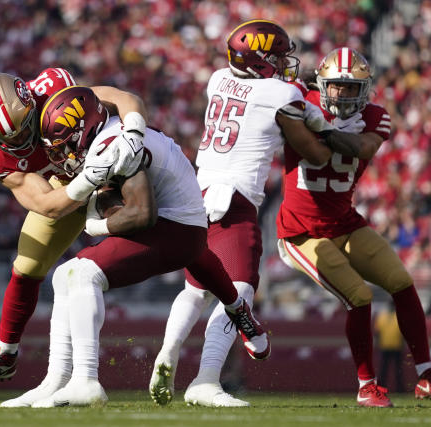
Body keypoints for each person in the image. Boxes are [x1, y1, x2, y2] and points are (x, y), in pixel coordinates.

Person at [6, 84, 273, 408]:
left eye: (64, 145)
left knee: (78, 274)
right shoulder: (109, 134)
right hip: (182, 221)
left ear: (84, 129)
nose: (62, 155)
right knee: (65, 276)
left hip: (174, 225)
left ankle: (85, 380)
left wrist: (97, 225)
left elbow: (142, 215)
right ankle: (56, 380)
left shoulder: (112, 146)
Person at [149, 19, 349, 407]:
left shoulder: (217, 79)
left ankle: (168, 350)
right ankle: (206, 379)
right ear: (260, 60)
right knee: (239, 289)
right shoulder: (281, 92)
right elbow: (319, 137)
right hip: (235, 198)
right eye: (277, 57)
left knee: (195, 288)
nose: (285, 63)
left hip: (197, 194)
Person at [0, 69, 149, 393]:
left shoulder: (53, 86)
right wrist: (88, 179)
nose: (19, 141)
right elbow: (47, 205)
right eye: (10, 138)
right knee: (26, 266)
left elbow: (124, 98)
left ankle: (233, 302)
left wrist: (134, 134)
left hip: (113, 165)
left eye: (22, 129)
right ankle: (5, 353)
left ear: (31, 102)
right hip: (65, 187)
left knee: (167, 224)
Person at [277, 46, 431, 407]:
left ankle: (426, 374)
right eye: (336, 86)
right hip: (301, 232)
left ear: (365, 89)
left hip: (345, 223)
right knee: (359, 296)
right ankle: (367, 386)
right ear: (322, 84)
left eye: (351, 88)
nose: (343, 94)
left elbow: (362, 147)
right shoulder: (300, 99)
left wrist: (324, 130)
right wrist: (312, 119)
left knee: (402, 282)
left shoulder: (376, 116)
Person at [374, 302, 404, 393]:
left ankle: (397, 389)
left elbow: (377, 332)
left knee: (394, 370)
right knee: (388, 370)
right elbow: (377, 332)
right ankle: (385, 388)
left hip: (393, 347)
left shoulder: (383, 316)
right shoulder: (386, 316)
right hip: (389, 347)